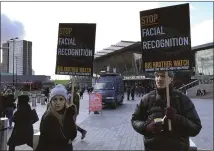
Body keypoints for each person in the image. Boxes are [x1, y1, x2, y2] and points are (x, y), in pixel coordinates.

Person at [131, 71, 202, 151]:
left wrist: (177, 118)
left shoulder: (182, 99)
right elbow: (135, 120)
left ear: (171, 79)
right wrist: (146, 127)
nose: (159, 79)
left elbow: (196, 128)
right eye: (157, 76)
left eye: (163, 76)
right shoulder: (146, 99)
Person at [35, 85, 77, 151]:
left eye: (61, 99)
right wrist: (68, 140)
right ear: (51, 101)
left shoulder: (66, 114)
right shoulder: (49, 117)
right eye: (55, 99)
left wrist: (69, 115)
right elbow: (59, 140)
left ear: (65, 101)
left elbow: (73, 134)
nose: (58, 102)